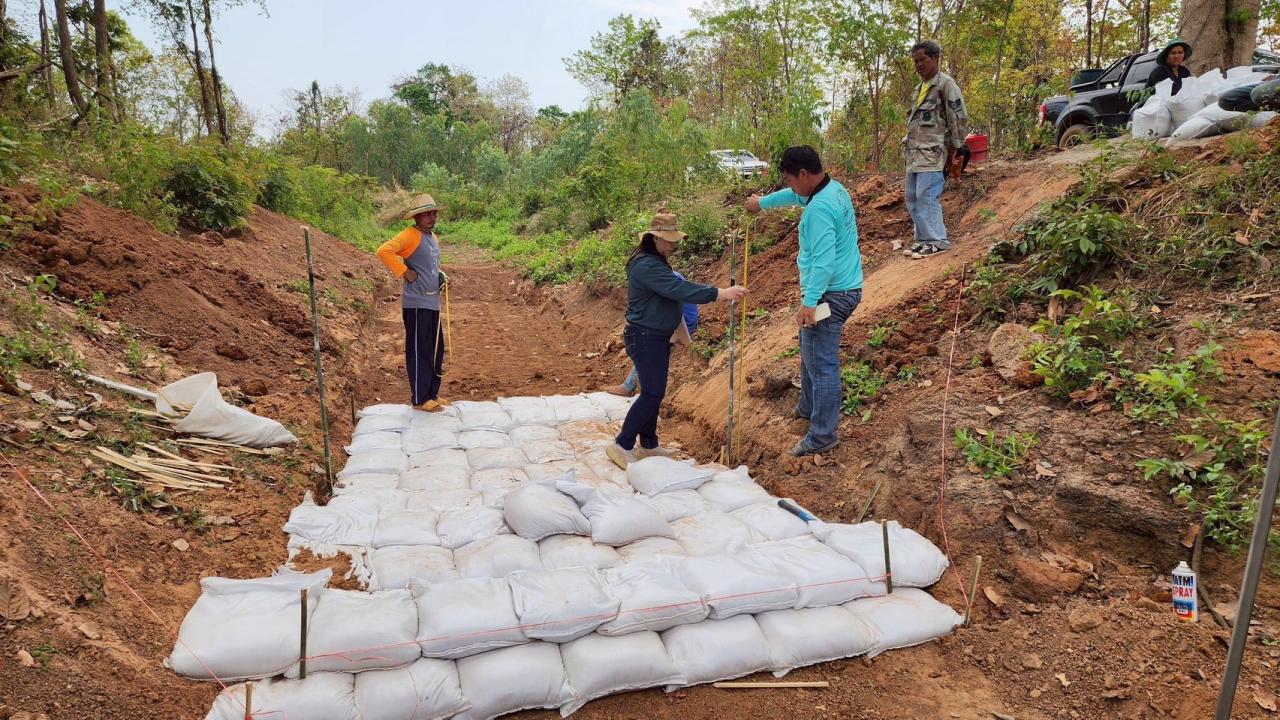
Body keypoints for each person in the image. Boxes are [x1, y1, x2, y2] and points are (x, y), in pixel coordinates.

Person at [745, 145, 862, 457]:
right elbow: (795, 197)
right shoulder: (833, 189)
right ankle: (808, 408)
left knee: (822, 364)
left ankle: (823, 435)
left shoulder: (819, 211)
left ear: (804, 174)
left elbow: (824, 262)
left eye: (790, 179)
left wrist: (809, 303)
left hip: (831, 294)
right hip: (846, 286)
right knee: (809, 349)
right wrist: (762, 203)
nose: (791, 187)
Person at [605, 213, 747, 469]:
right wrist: (722, 293)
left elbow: (667, 296)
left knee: (654, 392)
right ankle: (622, 444)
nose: (674, 245)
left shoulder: (654, 261)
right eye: (670, 240)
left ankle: (648, 444)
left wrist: (677, 329)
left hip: (654, 336)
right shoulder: (647, 266)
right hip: (645, 337)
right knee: (651, 393)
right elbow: (679, 289)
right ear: (656, 238)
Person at [376, 193, 450, 412]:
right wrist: (404, 272)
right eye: (426, 214)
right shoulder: (410, 235)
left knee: (435, 348)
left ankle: (432, 393)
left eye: (433, 213)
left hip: (432, 302)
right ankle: (419, 398)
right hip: (417, 303)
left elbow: (430, 265)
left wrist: (440, 276)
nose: (431, 217)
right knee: (419, 349)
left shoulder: (432, 237)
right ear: (416, 217)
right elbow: (383, 251)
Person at [902, 40, 969, 260]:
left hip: (933, 153)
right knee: (912, 197)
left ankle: (937, 240)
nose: (918, 65)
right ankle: (923, 240)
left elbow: (958, 117)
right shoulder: (918, 89)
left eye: (923, 59)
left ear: (935, 58)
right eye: (915, 61)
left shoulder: (946, 85)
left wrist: (956, 148)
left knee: (926, 195)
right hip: (914, 154)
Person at [604, 276, 699, 397]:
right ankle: (632, 385)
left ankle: (629, 387)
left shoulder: (660, 280)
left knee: (647, 348)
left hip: (681, 323)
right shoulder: (664, 276)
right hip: (682, 320)